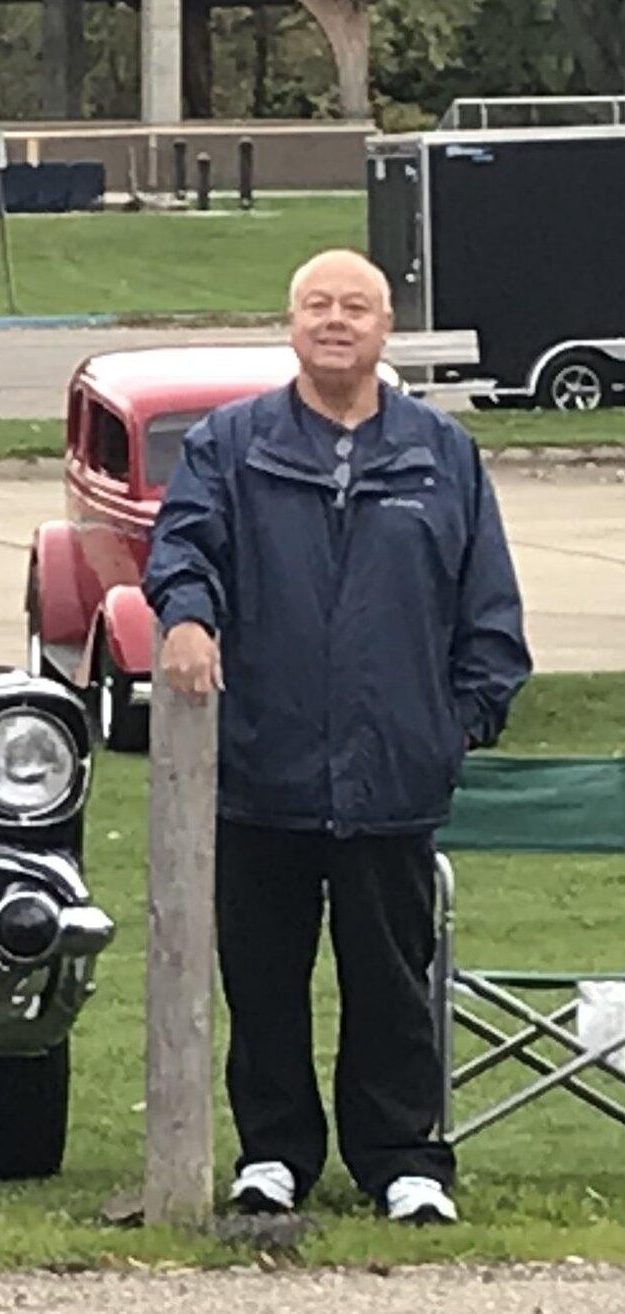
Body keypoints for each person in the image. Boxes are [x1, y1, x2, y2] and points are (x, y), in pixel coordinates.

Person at [141, 249, 531, 1225]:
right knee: (262, 983)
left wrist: (455, 724)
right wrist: (185, 616)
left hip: (391, 776)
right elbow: (181, 542)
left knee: (390, 982)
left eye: (353, 306)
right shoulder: (230, 445)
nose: (333, 320)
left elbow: (486, 612)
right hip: (260, 771)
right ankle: (272, 1156)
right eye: (315, 304)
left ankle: (401, 1161)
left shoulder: (440, 456)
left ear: (382, 327)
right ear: (289, 324)